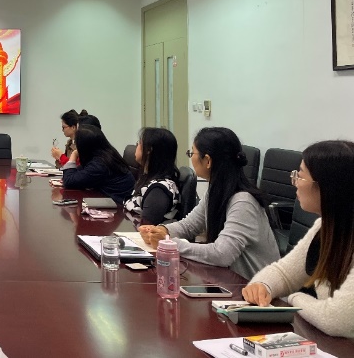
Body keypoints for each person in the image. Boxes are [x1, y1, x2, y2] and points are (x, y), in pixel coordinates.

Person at [243, 140, 354, 338]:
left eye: (300, 175)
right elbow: (284, 273)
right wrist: (262, 285)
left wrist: (294, 298)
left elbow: (337, 321)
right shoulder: (325, 225)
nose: (294, 182)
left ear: (326, 186)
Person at [140, 127, 279, 280]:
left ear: (207, 161)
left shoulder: (243, 202)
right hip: (229, 281)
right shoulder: (216, 190)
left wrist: (169, 244)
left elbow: (221, 254)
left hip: (255, 288)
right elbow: (189, 225)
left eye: (192, 153)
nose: (191, 158)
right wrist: (161, 230)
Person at [60, 125, 135, 204]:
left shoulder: (100, 164)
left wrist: (74, 154)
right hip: (109, 201)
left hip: (118, 207)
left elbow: (69, 182)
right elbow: (75, 175)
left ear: (83, 146)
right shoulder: (104, 155)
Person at [124, 127, 181, 225]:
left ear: (148, 150)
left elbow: (148, 227)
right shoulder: (148, 178)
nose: (136, 147)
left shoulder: (159, 189)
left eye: (139, 143)